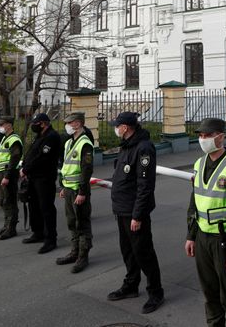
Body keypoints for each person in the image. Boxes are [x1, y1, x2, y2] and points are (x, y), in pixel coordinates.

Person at [185, 118, 226, 327]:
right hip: (203, 238)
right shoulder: (199, 163)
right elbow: (194, 202)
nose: (203, 139)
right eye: (201, 136)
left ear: (221, 137)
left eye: (208, 135)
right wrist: (191, 235)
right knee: (210, 292)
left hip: (224, 240)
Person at [106, 112, 164, 314]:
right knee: (128, 251)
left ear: (126, 127)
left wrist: (137, 216)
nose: (116, 128)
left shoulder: (143, 148)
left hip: (133, 212)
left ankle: (155, 292)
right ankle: (131, 285)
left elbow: (145, 185)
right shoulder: (127, 145)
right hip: (122, 209)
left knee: (144, 253)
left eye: (118, 125)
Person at [56, 112, 94, 273]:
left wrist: (82, 192)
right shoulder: (69, 143)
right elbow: (66, 166)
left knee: (82, 223)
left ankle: (83, 256)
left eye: (69, 123)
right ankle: (74, 251)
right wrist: (63, 186)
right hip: (69, 188)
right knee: (72, 221)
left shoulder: (85, 143)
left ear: (78, 124)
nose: (67, 126)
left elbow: (86, 170)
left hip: (79, 190)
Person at [21, 112, 62, 254]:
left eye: (35, 124)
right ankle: (37, 232)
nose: (33, 126)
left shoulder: (52, 136)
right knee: (34, 206)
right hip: (34, 177)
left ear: (43, 123)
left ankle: (50, 239)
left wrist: (26, 169)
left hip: (45, 178)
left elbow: (41, 157)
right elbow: (32, 153)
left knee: (46, 208)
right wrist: (25, 168)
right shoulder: (40, 135)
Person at [0, 116, 23, 240]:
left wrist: (7, 176)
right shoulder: (5, 138)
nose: (0, 127)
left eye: (2, 125)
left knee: (9, 201)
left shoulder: (14, 140)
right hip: (1, 173)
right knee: (3, 201)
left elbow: (14, 159)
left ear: (9, 125)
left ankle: (11, 228)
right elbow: (1, 158)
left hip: (8, 174)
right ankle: (6, 225)